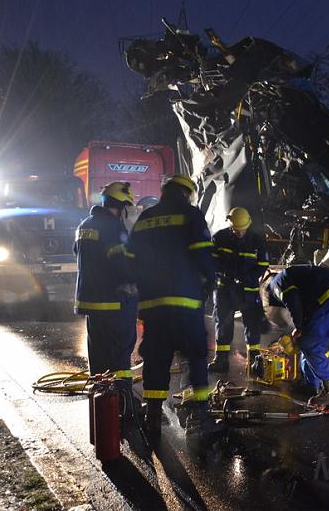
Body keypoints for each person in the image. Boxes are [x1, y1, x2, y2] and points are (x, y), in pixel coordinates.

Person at [126, 174, 219, 439]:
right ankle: (199, 415)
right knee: (195, 355)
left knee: (156, 359)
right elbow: (203, 253)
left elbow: (129, 258)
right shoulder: (190, 215)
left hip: (153, 305)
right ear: (185, 194)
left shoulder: (144, 219)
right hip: (185, 302)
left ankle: (153, 415)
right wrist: (210, 281)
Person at [73, 182, 137, 393]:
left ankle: (101, 397)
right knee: (119, 353)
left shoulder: (84, 225)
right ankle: (123, 399)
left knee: (98, 354)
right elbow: (121, 263)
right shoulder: (113, 226)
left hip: (89, 301)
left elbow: (78, 253)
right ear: (120, 206)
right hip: (112, 300)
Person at [266, 264, 329, 406]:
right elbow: (304, 306)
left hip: (328, 295)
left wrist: (298, 327)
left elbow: (292, 300)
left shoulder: (276, 283)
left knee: (309, 342)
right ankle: (312, 384)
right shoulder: (293, 277)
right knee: (313, 338)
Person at [207, 207, 269, 373]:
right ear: (230, 224)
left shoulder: (257, 240)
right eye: (236, 230)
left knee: (252, 322)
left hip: (247, 288)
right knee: (223, 322)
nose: (240, 233)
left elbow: (262, 265)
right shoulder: (219, 238)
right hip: (225, 288)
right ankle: (221, 360)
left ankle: (254, 361)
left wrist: (247, 277)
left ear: (248, 224)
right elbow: (212, 262)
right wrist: (226, 274)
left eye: (242, 230)